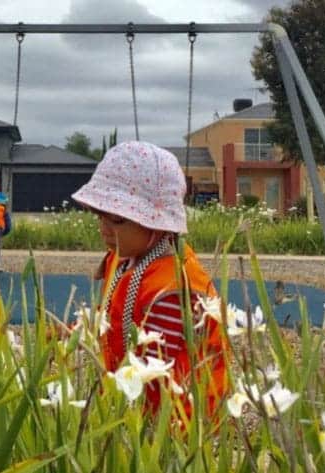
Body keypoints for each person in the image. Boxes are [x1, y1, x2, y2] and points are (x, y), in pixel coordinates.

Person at [71, 141, 228, 416]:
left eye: (117, 220)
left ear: (157, 222)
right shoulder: (126, 257)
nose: (103, 229)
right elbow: (110, 315)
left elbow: (155, 369)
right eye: (99, 216)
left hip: (173, 416)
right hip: (131, 397)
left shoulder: (173, 290)